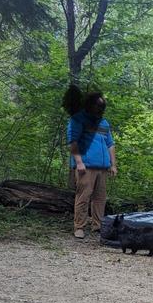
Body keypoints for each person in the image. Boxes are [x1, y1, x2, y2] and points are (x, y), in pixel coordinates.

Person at [63, 85, 117, 239]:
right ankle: (79, 227)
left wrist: (113, 164)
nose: (100, 108)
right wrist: (79, 162)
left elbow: (110, 144)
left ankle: (98, 226)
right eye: (98, 105)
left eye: (102, 105)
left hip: (102, 167)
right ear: (90, 104)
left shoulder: (103, 123)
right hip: (86, 166)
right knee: (83, 196)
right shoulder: (78, 119)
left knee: (100, 198)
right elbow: (73, 142)